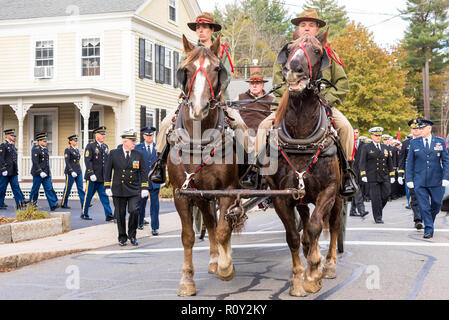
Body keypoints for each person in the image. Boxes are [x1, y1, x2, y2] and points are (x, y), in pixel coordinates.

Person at [248, 9, 356, 194]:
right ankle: (256, 171)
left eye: (311, 25)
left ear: (317, 30)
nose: (307, 29)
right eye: (303, 25)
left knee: (345, 128)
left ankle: (346, 174)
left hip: (321, 105)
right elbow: (277, 81)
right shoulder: (288, 52)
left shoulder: (328, 53)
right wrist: (290, 93)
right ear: (298, 29)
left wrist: (326, 99)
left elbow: (342, 84)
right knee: (264, 127)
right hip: (289, 105)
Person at [150, 12, 247, 184]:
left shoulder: (221, 49)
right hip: (190, 100)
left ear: (211, 30)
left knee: (239, 123)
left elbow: (228, 75)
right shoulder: (189, 50)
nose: (200, 30)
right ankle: (159, 165)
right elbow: (182, 76)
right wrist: (192, 93)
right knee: (165, 124)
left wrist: (215, 93)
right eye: (197, 27)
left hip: (219, 99)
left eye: (204, 27)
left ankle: (249, 166)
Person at [406, 119, 449, 238]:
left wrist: (446, 176)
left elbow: (446, 160)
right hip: (420, 180)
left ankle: (429, 220)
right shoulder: (415, 143)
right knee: (424, 206)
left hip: (436, 180)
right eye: (419, 128)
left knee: (436, 204)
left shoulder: (439, 142)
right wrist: (409, 179)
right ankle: (429, 229)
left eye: (422, 128)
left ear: (429, 129)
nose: (419, 130)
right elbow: (410, 162)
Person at [104, 129, 149, 246]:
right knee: (120, 214)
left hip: (134, 189)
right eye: (132, 141)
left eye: (135, 141)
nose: (134, 143)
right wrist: (107, 186)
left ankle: (132, 235)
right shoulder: (114, 153)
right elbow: (107, 171)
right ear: (125, 142)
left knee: (134, 211)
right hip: (119, 189)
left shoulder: (138, 154)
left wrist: (144, 187)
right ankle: (122, 236)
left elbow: (143, 172)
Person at [238, 70, 274, 188]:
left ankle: (260, 174)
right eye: (252, 83)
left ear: (262, 85)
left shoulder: (271, 100)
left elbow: (274, 118)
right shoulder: (240, 97)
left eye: (257, 83)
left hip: (264, 134)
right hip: (244, 132)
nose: (254, 85)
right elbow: (233, 114)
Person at [359, 127, 395, 223]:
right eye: (376, 135)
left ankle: (378, 209)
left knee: (386, 194)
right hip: (372, 176)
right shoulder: (366, 147)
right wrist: (363, 174)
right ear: (371, 136)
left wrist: (392, 175)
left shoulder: (385, 147)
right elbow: (362, 162)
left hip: (384, 176)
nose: (378, 137)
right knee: (375, 198)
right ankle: (378, 217)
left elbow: (389, 163)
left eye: (380, 135)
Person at [82, 126, 113, 221]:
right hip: (92, 177)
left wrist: (107, 176)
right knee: (88, 196)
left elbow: (107, 162)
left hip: (101, 177)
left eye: (104, 134)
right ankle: (84, 213)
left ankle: (109, 215)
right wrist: (91, 173)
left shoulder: (105, 146)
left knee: (104, 197)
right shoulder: (90, 146)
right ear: (96, 135)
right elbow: (88, 160)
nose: (104, 136)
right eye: (101, 134)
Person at [398, 119, 424, 229]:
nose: (416, 131)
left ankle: (424, 218)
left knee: (424, 197)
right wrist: (400, 173)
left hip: (424, 173)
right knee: (414, 197)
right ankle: (418, 219)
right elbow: (402, 159)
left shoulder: (425, 141)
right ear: (411, 129)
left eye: (417, 128)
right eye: (413, 128)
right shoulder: (406, 143)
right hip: (411, 174)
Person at [135, 126, 161, 235]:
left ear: (153, 136)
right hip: (142, 181)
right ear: (143, 136)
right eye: (147, 135)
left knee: (155, 206)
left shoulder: (158, 147)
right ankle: (139, 222)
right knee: (141, 204)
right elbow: (135, 165)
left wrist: (162, 178)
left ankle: (155, 227)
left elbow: (162, 164)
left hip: (155, 181)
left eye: (151, 135)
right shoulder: (137, 148)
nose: (149, 137)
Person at [29, 132, 59, 211]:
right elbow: (35, 162)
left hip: (46, 173)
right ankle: (32, 205)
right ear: (39, 141)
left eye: (46, 141)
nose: (46, 142)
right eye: (44, 141)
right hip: (38, 173)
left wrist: (47, 172)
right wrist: (40, 171)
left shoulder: (45, 149)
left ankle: (53, 205)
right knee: (35, 189)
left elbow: (46, 162)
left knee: (49, 188)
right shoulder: (35, 149)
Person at [0, 129, 27, 210]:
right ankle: (0, 203)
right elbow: (1, 158)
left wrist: (16, 169)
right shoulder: (3, 145)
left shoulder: (12, 146)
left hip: (13, 171)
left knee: (16, 186)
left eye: (13, 135)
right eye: (11, 135)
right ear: (7, 136)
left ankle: (19, 203)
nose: (13, 137)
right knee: (2, 188)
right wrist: (3, 169)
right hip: (5, 171)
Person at [61, 134, 85, 209]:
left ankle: (84, 203)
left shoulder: (77, 150)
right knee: (68, 188)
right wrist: (71, 171)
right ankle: (63, 203)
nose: (76, 142)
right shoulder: (68, 150)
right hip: (70, 172)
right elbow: (67, 162)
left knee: (80, 188)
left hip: (78, 171)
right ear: (70, 141)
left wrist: (78, 171)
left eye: (77, 140)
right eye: (74, 140)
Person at [350, 128, 368, 217]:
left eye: (357, 132)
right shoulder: (348, 144)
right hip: (351, 170)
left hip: (361, 171)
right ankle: (361, 210)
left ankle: (352, 210)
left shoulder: (364, 145)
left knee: (358, 189)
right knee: (357, 189)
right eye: (353, 133)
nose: (355, 134)